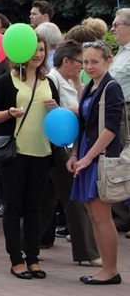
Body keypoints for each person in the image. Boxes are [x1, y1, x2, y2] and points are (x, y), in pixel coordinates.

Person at [0, 35, 59, 280]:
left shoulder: (48, 81)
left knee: (34, 208)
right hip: (14, 153)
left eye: (42, 50)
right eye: (34, 50)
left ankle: (33, 258)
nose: (38, 54)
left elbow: (57, 119)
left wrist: (56, 110)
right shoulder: (6, 82)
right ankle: (16, 259)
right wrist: (9, 112)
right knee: (14, 206)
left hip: (43, 152)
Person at [67, 41, 124, 285]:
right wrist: (74, 155)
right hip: (88, 156)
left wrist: (88, 157)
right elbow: (84, 124)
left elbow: (111, 128)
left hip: (101, 158)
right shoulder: (91, 86)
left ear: (108, 62)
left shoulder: (111, 87)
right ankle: (106, 267)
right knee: (93, 214)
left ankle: (110, 270)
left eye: (94, 62)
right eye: (86, 62)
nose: (89, 66)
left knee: (102, 215)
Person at [42, 40, 101, 266]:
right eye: (81, 62)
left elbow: (84, 103)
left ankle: (33, 239)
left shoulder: (68, 80)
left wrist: (78, 82)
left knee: (48, 197)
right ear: (66, 61)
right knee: (73, 198)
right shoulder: (51, 81)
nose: (83, 67)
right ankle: (88, 252)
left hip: (66, 145)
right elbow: (73, 110)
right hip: (58, 147)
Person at [107, 9, 130, 234]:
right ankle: (121, 215)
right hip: (116, 111)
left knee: (125, 161)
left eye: (116, 24)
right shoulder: (121, 52)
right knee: (119, 160)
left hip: (127, 112)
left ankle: (124, 217)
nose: (112, 28)